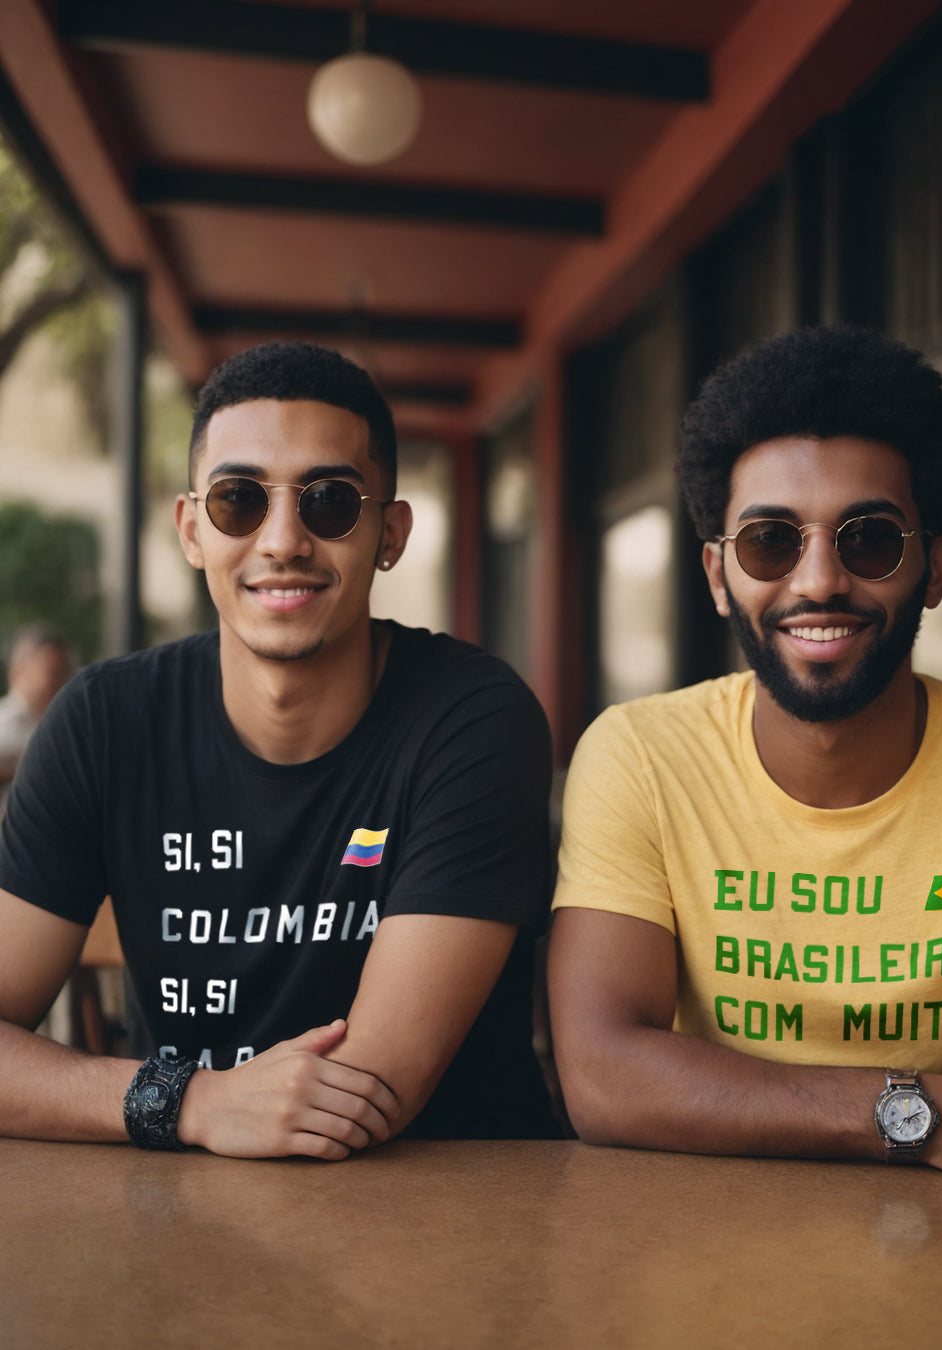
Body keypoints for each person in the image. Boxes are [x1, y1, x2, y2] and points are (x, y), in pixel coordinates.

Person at [0, 340, 558, 1158]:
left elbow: (366, 1096)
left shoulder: (472, 720)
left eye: (330, 500)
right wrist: (186, 1100)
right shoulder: (105, 721)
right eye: (239, 500)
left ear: (389, 532)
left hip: (453, 1225)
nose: (284, 539)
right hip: (193, 1216)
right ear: (193, 530)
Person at [549, 326, 942, 1179]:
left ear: (935, 569)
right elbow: (602, 1077)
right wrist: (918, 1114)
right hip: (692, 1254)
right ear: (720, 576)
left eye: (868, 538)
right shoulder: (641, 755)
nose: (820, 580)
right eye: (771, 541)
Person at [0, 623, 71, 807]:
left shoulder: (65, 723)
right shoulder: (5, 721)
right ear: (18, 672)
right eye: (53, 673)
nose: (61, 682)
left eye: (64, 673)